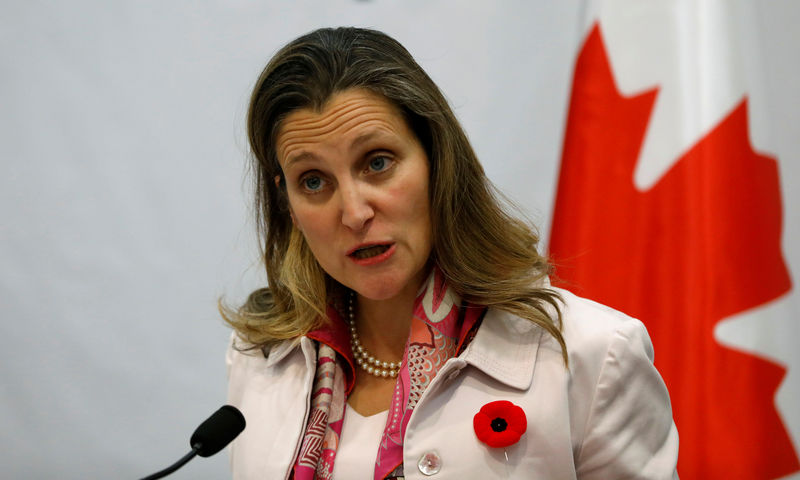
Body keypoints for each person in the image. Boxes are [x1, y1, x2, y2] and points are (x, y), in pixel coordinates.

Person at [223, 26, 678, 479]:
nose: (354, 212)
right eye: (314, 181)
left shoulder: (593, 357)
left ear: (438, 161)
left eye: (377, 162)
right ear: (289, 205)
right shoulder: (258, 356)